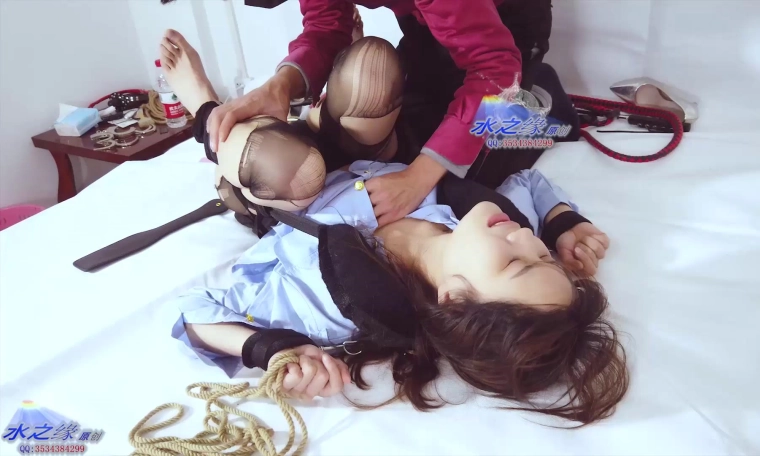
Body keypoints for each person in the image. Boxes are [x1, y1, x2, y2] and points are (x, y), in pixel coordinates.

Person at [158, 32, 628, 425]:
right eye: (542, 255)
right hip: (366, 159)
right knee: (374, 63)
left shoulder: (333, 301)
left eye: (515, 262)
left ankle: (205, 111)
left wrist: (269, 347)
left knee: (279, 162)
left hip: (286, 188)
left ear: (453, 299)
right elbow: (527, 182)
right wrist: (564, 221)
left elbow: (192, 314)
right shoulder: (489, 223)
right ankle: (324, 98)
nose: (524, 237)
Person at [162, 0, 575, 228]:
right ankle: (226, 121)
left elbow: (494, 68)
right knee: (288, 166)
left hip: (506, 37)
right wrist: (279, 86)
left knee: (462, 170)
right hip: (429, 29)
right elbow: (325, 27)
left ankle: (542, 94)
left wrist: (419, 177)